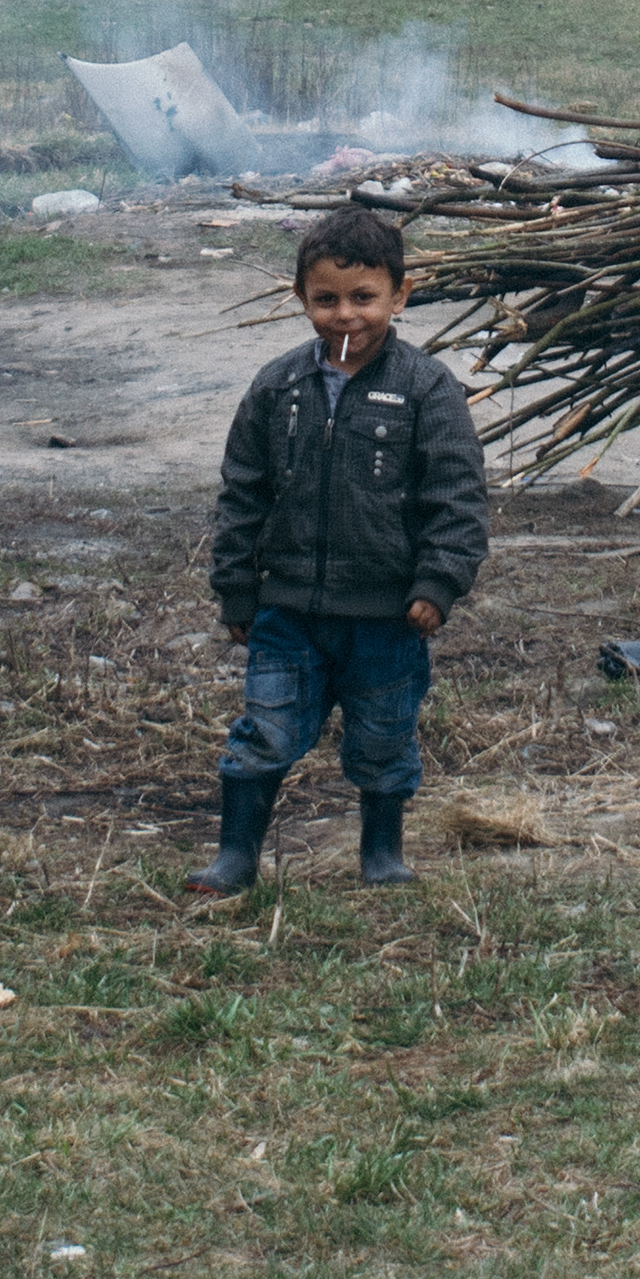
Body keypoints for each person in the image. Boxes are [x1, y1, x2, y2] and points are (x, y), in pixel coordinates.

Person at [189, 205, 487, 895]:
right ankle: (236, 857)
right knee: (265, 730)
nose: (345, 316)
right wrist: (236, 588)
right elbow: (242, 494)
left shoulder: (425, 389)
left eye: (364, 298)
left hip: (386, 617)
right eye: (326, 299)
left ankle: (381, 853)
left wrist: (437, 585)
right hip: (287, 611)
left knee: (384, 738)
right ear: (302, 300)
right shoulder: (278, 388)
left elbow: (459, 498)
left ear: (400, 296)